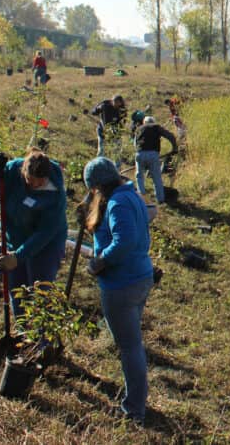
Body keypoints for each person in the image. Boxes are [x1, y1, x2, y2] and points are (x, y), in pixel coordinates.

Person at [83, 157, 154, 426]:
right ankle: (136, 400)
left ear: (98, 186)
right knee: (131, 343)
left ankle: (134, 409)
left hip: (122, 283)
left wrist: (101, 261)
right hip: (140, 276)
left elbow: (124, 241)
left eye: (92, 189)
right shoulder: (131, 195)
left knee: (130, 347)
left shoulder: (117, 203)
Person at [0, 149, 67, 313]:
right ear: (23, 171)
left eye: (40, 183)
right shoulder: (13, 169)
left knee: (39, 292)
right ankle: (22, 327)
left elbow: (45, 232)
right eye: (30, 181)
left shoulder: (55, 194)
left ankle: (42, 329)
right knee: (17, 290)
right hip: (15, 237)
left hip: (45, 246)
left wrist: (18, 256)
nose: (34, 185)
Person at [133, 116, 178, 205]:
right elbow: (170, 136)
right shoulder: (156, 127)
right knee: (156, 177)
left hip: (139, 153)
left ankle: (142, 198)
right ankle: (160, 199)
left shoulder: (139, 129)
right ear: (153, 122)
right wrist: (174, 148)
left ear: (144, 122)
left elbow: (135, 143)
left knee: (139, 176)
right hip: (153, 155)